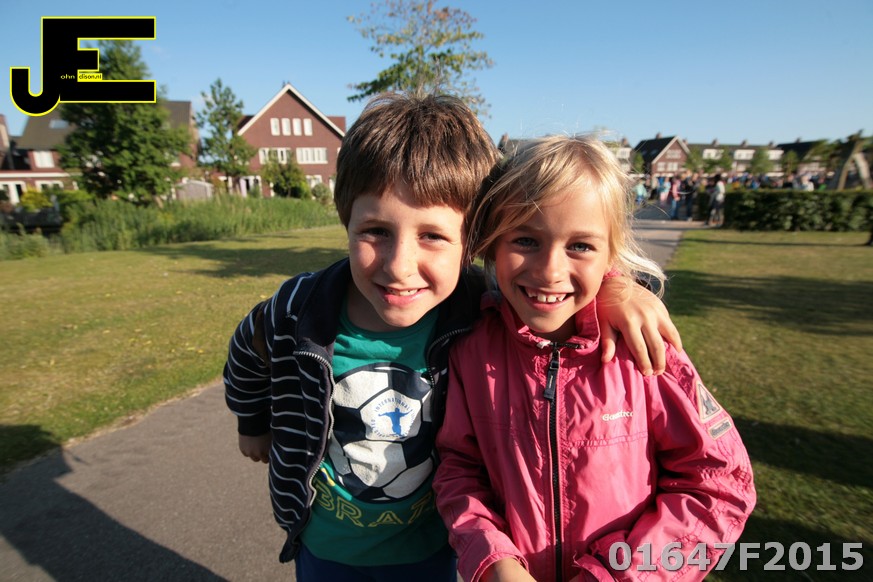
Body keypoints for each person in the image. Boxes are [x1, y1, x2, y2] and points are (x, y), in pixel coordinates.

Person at [223, 95, 683, 581]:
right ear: (346, 220)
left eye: (432, 236)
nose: (399, 266)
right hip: (325, 546)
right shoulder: (297, 309)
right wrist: (252, 421)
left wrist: (617, 287)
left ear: (474, 242)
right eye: (376, 231)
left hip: (433, 547)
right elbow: (246, 353)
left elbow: (554, 281)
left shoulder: (478, 307)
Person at [433, 135, 755, 582]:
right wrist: (493, 559)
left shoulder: (642, 349)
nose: (549, 270)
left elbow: (719, 486)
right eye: (525, 239)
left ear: (610, 255)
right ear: (491, 243)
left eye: (580, 246)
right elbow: (459, 469)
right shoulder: (471, 350)